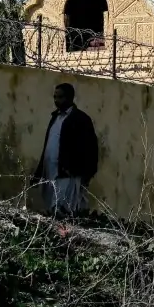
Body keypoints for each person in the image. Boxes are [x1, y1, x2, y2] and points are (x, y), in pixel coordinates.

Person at [33, 82, 99, 217]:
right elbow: (48, 146)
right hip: (50, 171)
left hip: (68, 174)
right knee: (52, 208)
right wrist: (38, 173)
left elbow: (91, 148)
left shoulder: (80, 119)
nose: (57, 101)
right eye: (55, 97)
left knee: (64, 210)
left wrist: (87, 173)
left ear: (70, 98)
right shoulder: (55, 117)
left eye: (60, 97)